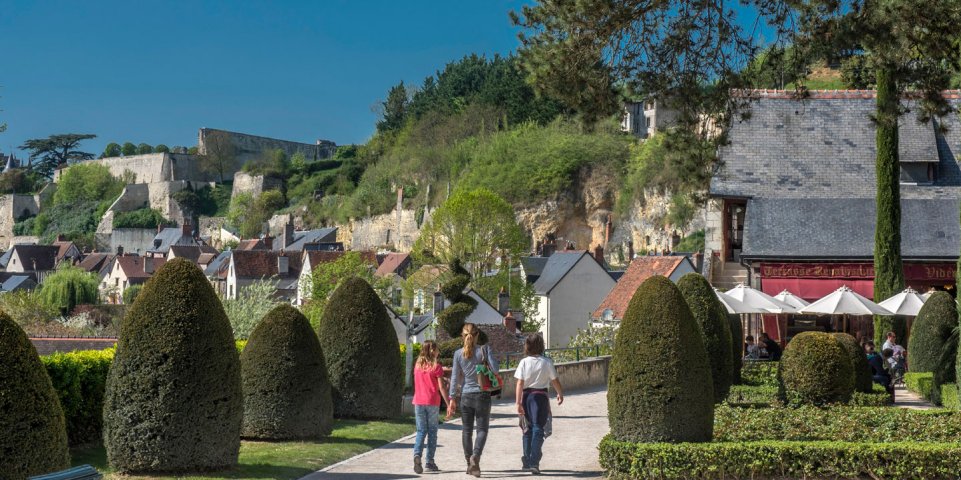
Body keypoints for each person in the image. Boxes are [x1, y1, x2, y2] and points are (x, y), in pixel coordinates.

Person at [448, 323, 498, 477]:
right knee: (482, 429)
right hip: (482, 394)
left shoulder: (458, 354)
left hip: (466, 395)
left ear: (462, 336)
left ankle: (468, 463)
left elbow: (455, 377)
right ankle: (475, 457)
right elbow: (495, 369)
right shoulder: (484, 349)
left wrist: (452, 399)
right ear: (477, 335)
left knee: (467, 431)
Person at [514, 333, 564, 475]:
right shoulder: (546, 362)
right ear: (541, 346)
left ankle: (527, 459)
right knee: (538, 428)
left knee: (527, 429)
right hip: (540, 397)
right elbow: (555, 380)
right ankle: (534, 462)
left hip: (526, 396)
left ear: (527, 346)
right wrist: (560, 393)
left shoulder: (524, 362)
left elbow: (519, 383)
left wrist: (518, 402)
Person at [411, 340, 449, 474]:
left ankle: (417, 455)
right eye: (437, 349)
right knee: (432, 432)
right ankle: (429, 462)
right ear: (433, 350)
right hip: (432, 402)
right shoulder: (436, 366)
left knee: (421, 431)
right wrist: (449, 403)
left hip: (418, 402)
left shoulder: (417, 365)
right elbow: (441, 387)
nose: (439, 352)